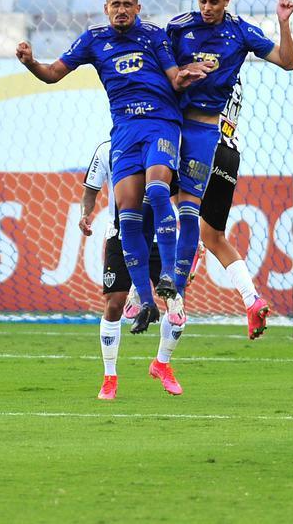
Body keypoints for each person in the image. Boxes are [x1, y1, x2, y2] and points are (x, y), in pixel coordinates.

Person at [17, 0, 206, 334]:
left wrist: (186, 76)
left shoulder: (153, 36)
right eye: (115, 4)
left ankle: (168, 274)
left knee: (158, 191)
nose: (121, 10)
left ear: (138, 8)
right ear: (106, 9)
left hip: (160, 124)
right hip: (124, 132)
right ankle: (146, 301)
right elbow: (53, 74)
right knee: (129, 216)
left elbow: (174, 78)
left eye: (127, 4)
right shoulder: (93, 40)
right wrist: (30, 63)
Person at [165, 0, 293, 339]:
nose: (207, 8)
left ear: (227, 0)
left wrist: (284, 24)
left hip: (199, 142)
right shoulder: (209, 48)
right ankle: (252, 299)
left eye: (214, 2)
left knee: (156, 192)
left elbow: (288, 61)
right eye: (202, 1)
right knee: (216, 237)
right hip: (228, 152)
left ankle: (182, 253)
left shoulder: (232, 39)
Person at [81, 139, 187, 400]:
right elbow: (91, 190)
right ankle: (109, 378)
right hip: (120, 236)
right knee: (114, 304)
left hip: (159, 239)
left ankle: (162, 363)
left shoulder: (163, 146)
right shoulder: (106, 149)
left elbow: (178, 194)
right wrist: (85, 214)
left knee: (176, 307)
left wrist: (190, 233)